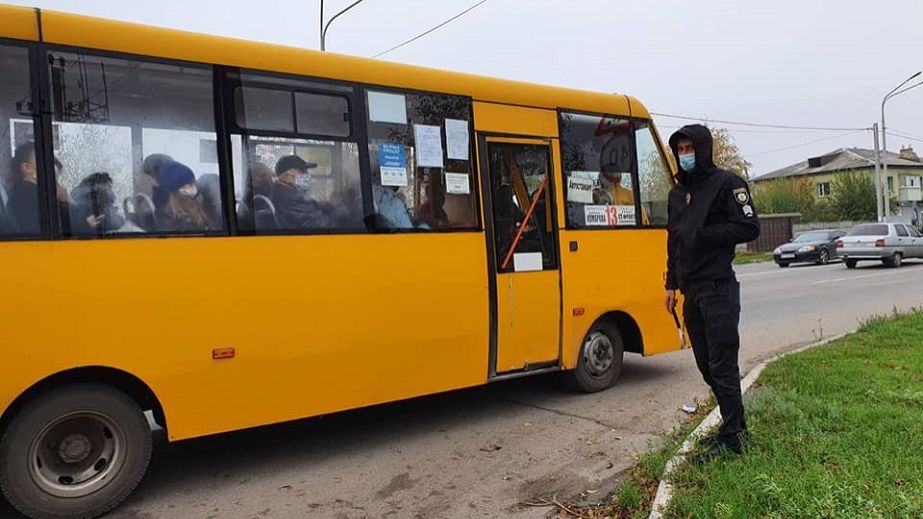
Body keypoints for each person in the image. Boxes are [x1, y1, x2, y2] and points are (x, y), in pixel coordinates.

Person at [664, 124, 760, 457]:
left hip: (718, 287)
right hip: (691, 291)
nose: (685, 154)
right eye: (680, 149)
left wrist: (704, 233)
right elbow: (673, 240)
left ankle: (735, 438)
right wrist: (670, 284)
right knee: (706, 366)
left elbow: (750, 226)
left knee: (723, 365)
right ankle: (730, 426)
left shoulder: (727, 184)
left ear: (703, 149)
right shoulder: (677, 194)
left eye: (690, 148)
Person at [270, 155, 351, 230]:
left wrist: (329, 204)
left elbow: (310, 208)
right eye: (303, 171)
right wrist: (340, 210)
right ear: (287, 175)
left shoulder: (281, 192)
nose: (308, 175)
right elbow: (323, 226)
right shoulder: (292, 199)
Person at [155, 159, 211, 232]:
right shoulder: (170, 220)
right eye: (189, 185)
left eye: (193, 182)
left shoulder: (199, 203)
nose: (194, 187)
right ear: (176, 192)